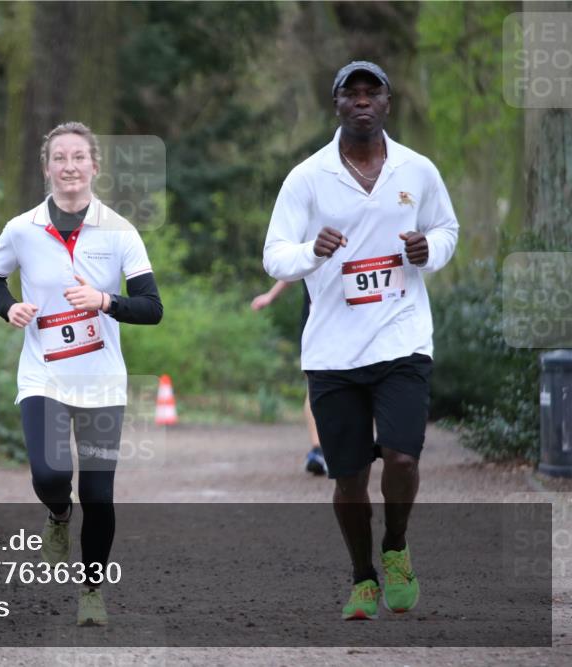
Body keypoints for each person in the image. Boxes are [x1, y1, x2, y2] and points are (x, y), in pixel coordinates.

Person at [263, 61, 458, 620]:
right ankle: (362, 576)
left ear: (388, 103)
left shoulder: (417, 169)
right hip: (333, 350)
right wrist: (312, 252)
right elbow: (274, 255)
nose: (364, 100)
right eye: (353, 93)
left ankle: (395, 546)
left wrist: (429, 250)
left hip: (402, 339)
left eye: (374, 92)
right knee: (348, 479)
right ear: (338, 104)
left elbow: (447, 229)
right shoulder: (307, 177)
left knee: (402, 457)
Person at [0, 121, 163, 626]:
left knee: (99, 496)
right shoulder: (22, 228)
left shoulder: (121, 231)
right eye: (59, 158)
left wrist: (104, 300)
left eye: (79, 157)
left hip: (102, 382)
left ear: (95, 166)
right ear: (47, 168)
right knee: (51, 474)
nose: (69, 166)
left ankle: (91, 590)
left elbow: (152, 308)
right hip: (43, 375)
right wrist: (9, 307)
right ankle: (58, 514)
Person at [250, 279, 326, 475]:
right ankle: (318, 450)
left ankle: (329, 449)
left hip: (358, 320)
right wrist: (271, 295)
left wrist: (271, 295)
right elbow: (297, 265)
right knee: (314, 384)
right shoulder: (315, 257)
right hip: (316, 319)